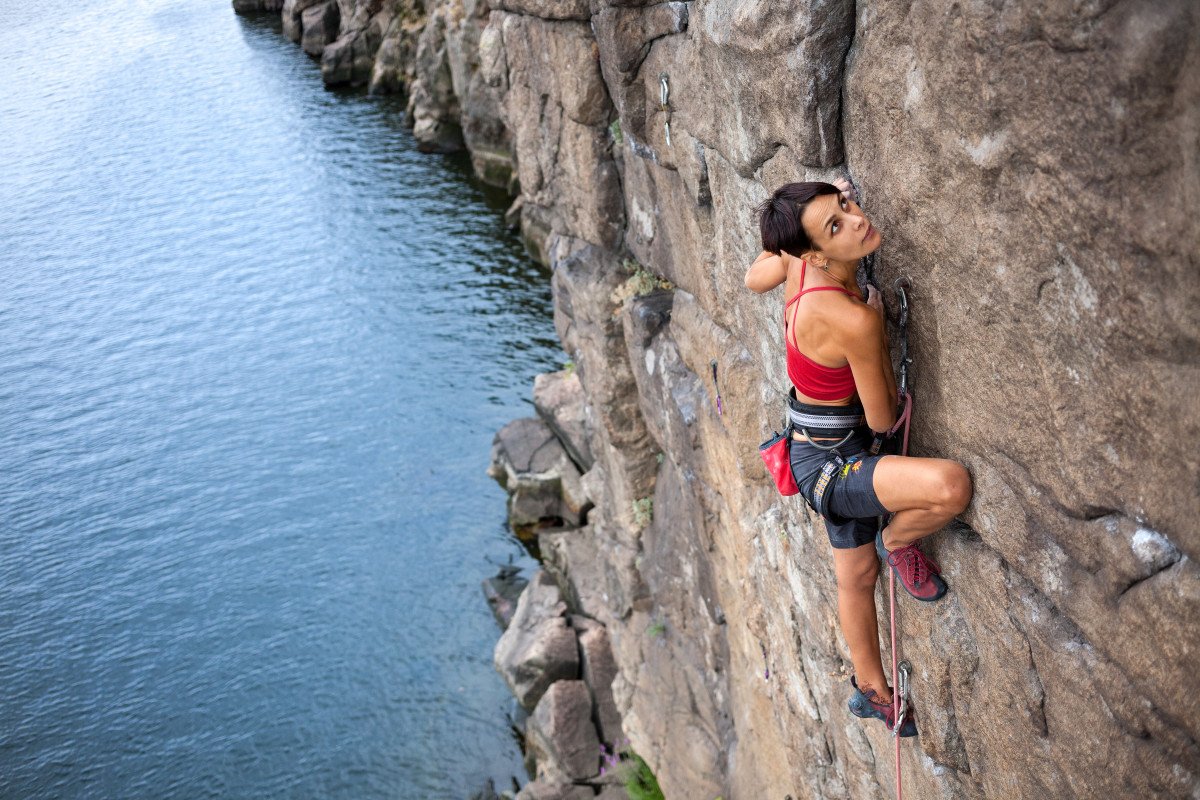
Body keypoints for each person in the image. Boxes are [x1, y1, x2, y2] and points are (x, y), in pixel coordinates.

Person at [745, 179, 972, 737]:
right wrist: (876, 334)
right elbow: (881, 419)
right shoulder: (852, 318)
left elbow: (756, 277)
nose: (857, 219)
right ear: (817, 253)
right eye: (836, 224)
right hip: (834, 465)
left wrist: (818, 212)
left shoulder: (797, 266)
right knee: (950, 486)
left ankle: (872, 691)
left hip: (808, 449)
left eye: (847, 205)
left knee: (856, 575)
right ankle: (897, 539)